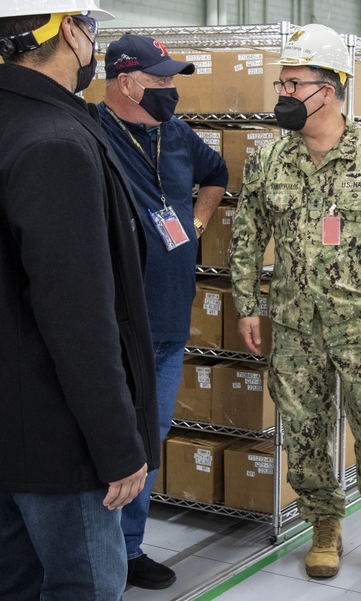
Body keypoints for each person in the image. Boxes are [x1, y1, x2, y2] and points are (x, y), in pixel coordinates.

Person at [0, 0, 158, 599]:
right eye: (89, 22)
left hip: (5, 439)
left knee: (13, 585)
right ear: (69, 28)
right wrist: (119, 444)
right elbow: (79, 313)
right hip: (65, 447)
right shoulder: (57, 142)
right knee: (81, 586)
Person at [229, 24, 361, 585]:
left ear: (332, 88)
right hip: (296, 326)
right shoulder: (271, 161)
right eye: (282, 82)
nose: (284, 94)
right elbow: (247, 232)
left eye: (295, 83)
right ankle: (324, 525)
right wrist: (247, 303)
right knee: (303, 431)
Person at [97, 32, 228, 589]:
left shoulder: (176, 135)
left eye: (173, 80)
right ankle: (97, 555)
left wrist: (195, 223)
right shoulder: (90, 135)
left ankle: (127, 551)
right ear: (126, 83)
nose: (171, 91)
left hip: (170, 322)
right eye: (161, 81)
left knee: (147, 442)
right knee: (108, 443)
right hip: (113, 326)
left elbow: (217, 173)